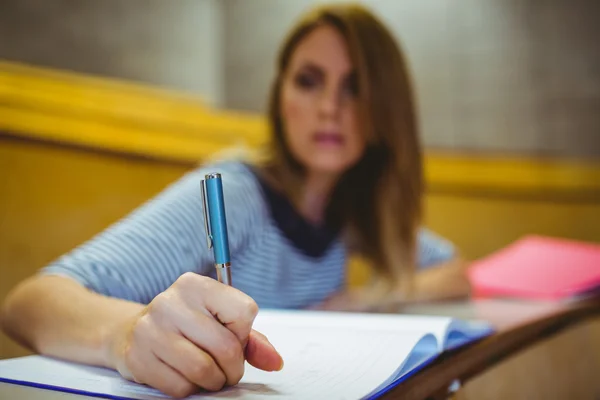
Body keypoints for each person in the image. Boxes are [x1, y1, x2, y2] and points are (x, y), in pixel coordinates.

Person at [0, 3, 470, 398]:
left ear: (385, 110)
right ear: (280, 95)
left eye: (354, 88)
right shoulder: (237, 195)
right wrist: (123, 335)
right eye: (309, 80)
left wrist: (361, 298)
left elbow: (453, 269)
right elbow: (29, 303)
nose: (330, 107)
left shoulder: (348, 215)